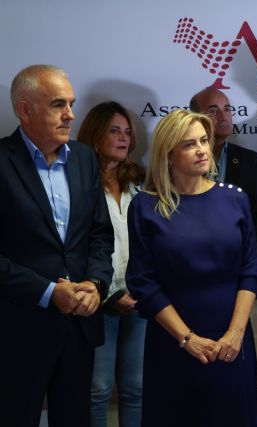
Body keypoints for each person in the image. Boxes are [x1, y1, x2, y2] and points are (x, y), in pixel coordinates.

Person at [126, 108, 257, 427]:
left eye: (204, 140)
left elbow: (251, 271)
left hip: (232, 341)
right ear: (168, 154)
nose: (202, 149)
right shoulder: (145, 207)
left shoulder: (235, 199)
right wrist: (187, 339)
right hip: (173, 342)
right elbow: (143, 284)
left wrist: (235, 333)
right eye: (189, 144)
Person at [0, 64, 114, 427]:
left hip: (78, 326)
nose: (71, 115)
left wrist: (96, 285)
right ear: (25, 109)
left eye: (71, 103)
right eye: (57, 104)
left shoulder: (82, 158)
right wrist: (49, 292)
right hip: (18, 328)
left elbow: (100, 234)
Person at [77, 101, 146, 427]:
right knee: (98, 389)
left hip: (140, 301)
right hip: (99, 301)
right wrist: (107, 293)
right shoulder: (78, 182)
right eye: (114, 131)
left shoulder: (140, 182)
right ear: (95, 134)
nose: (123, 138)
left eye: (127, 132)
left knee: (136, 389)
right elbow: (77, 248)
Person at [189, 87, 257, 250]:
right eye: (213, 110)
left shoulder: (251, 161)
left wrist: (241, 255)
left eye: (227, 109)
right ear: (195, 119)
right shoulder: (181, 160)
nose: (223, 116)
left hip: (239, 261)